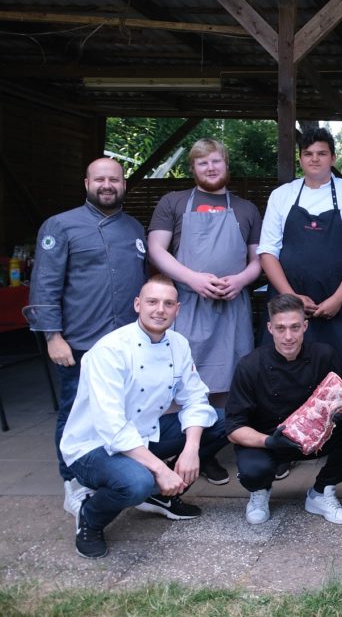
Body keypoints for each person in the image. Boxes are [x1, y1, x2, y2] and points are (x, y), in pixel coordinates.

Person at [59, 275, 228, 558]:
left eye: (168, 303)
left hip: (144, 433)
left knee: (224, 422)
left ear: (178, 309)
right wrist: (161, 470)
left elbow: (196, 398)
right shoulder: (110, 350)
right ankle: (90, 517)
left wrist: (191, 449)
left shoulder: (178, 344)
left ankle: (161, 497)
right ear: (138, 304)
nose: (160, 309)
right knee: (138, 481)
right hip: (93, 447)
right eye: (152, 302)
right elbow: (111, 427)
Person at [25, 157, 147, 518]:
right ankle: (73, 482)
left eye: (114, 179)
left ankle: (121, 475)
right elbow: (44, 282)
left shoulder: (134, 228)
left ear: (123, 184)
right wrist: (52, 337)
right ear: (87, 183)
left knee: (124, 411)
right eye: (100, 179)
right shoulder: (61, 226)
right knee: (74, 412)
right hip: (79, 343)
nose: (107, 185)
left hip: (125, 343)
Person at [147, 138, 263, 485]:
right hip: (187, 306)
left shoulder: (246, 209)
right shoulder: (174, 202)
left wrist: (241, 279)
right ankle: (179, 451)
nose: (211, 168)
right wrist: (192, 279)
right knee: (181, 384)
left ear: (227, 165)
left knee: (229, 384)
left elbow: (259, 259)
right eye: (202, 163)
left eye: (216, 162)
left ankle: (209, 453)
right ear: (193, 168)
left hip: (232, 308)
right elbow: (157, 250)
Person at [225, 293, 342, 526]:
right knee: (253, 471)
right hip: (270, 441)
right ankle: (259, 493)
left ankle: (320, 492)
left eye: (295, 327)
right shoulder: (250, 365)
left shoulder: (324, 355)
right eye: (280, 328)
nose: (288, 336)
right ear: (269, 328)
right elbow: (234, 428)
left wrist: (338, 414)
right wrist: (269, 442)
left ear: (305, 326)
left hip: (318, 437)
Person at [258, 127, 342, 376]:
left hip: (340, 305)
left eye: (321, 153)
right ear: (300, 158)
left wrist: (338, 298)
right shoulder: (281, 196)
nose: (314, 159)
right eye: (308, 153)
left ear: (332, 158)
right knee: (286, 375)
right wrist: (292, 298)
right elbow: (267, 252)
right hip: (289, 305)